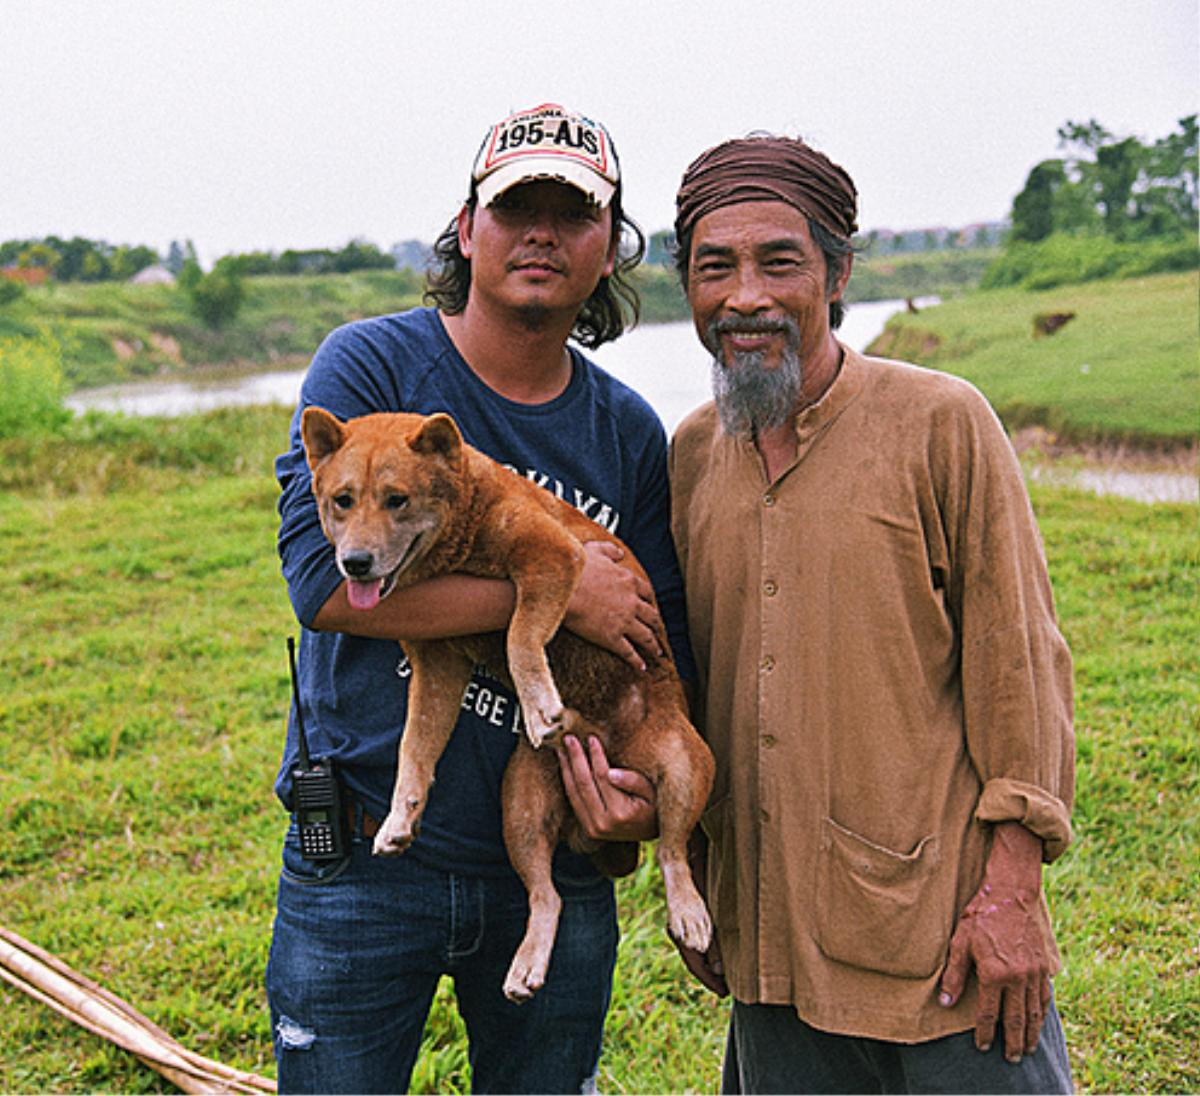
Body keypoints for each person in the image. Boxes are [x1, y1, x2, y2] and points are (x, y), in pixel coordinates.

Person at [266, 102, 687, 1095]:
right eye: (514, 208)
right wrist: (555, 594)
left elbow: (659, 645)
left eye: (572, 213)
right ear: (467, 229)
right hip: (364, 859)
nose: (540, 233)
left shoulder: (627, 431)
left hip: (558, 865)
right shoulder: (371, 367)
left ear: (608, 247)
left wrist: (631, 802)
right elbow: (323, 583)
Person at [665, 135, 1077, 1093]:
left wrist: (1012, 892)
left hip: (942, 940)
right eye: (713, 267)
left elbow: (1020, 663)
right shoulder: (690, 455)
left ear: (839, 272)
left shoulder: (941, 422)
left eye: (780, 262)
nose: (745, 297)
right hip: (768, 946)